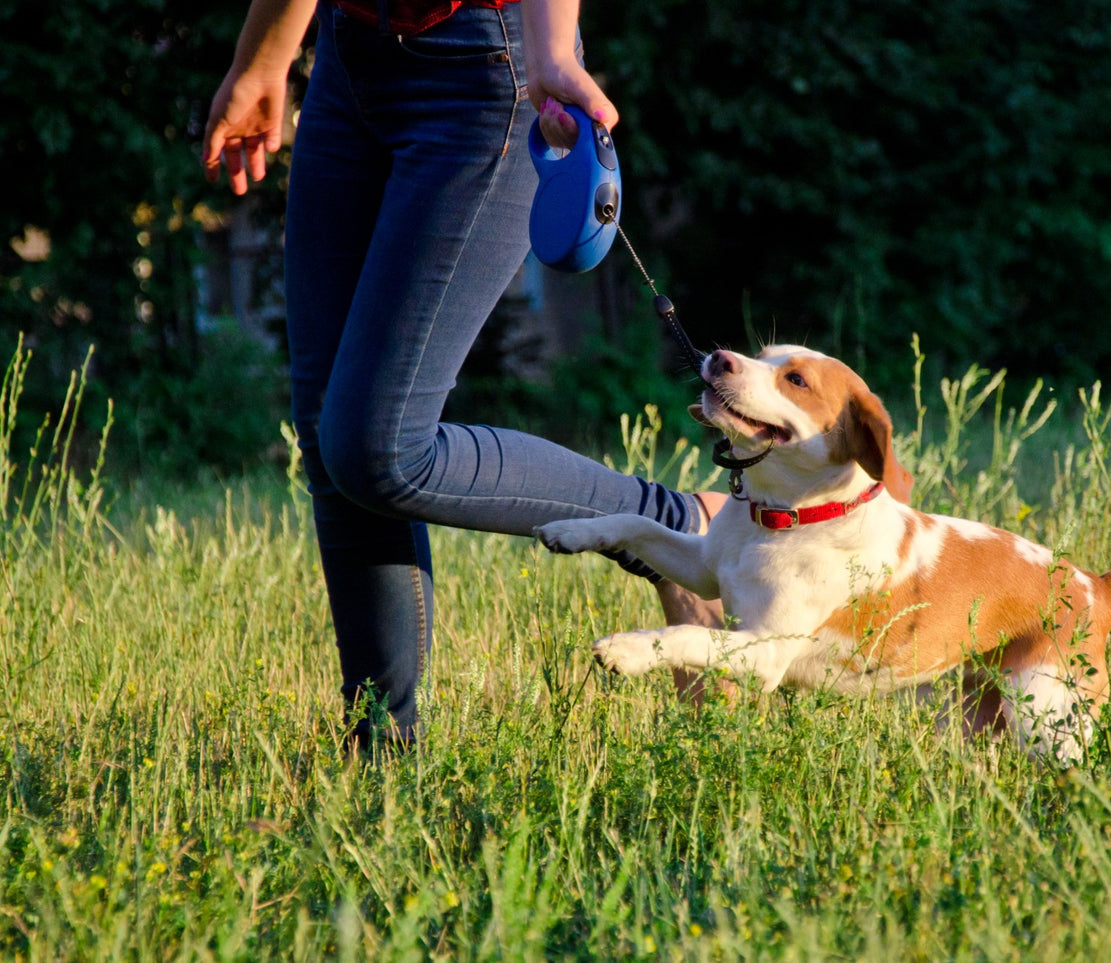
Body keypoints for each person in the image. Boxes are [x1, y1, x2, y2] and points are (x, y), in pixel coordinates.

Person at [203, 0, 725, 751]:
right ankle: (379, 756)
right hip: (348, 59)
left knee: (378, 448)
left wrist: (550, 51)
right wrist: (266, 54)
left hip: (484, 63)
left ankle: (672, 523)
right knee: (332, 440)